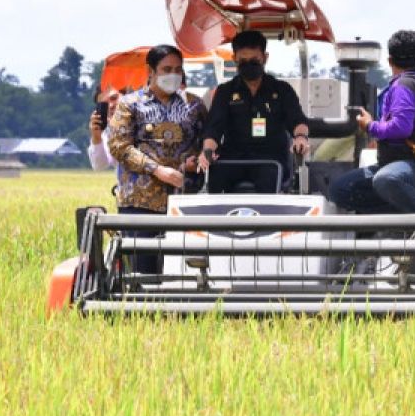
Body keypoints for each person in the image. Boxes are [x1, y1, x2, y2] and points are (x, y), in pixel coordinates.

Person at [108, 45, 207, 271]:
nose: (173, 75)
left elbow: (206, 142)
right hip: (140, 201)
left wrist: (196, 160)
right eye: (166, 69)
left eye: (178, 70)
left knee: (184, 270)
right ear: (150, 71)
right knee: (142, 272)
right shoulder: (130, 104)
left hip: (183, 200)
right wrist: (156, 169)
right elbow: (119, 146)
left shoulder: (194, 105)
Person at [330, 29, 415, 214]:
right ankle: (396, 221)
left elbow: (401, 128)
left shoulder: (403, 85)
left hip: (411, 169)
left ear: (390, 60)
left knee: (383, 180)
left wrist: (370, 125)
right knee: (340, 189)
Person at [198, 30, 310, 193]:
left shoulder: (282, 90)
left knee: (270, 178)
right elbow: (214, 129)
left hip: (270, 160)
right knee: (216, 175)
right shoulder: (225, 91)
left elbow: (298, 121)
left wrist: (301, 137)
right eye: (243, 61)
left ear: (265, 58)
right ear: (234, 59)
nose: (248, 64)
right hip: (233, 158)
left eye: (254, 60)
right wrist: (207, 151)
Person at [87, 86, 121, 171]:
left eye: (114, 98)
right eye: (104, 105)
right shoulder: (108, 133)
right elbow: (100, 166)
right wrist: (97, 138)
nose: (111, 105)